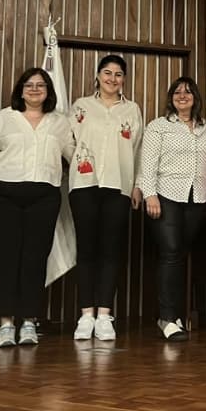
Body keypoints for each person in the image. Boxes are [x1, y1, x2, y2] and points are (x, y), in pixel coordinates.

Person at [0, 67, 75, 347]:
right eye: (28, 85)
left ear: (48, 91)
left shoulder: (60, 123)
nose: (34, 89)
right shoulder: (5, 118)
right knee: (6, 259)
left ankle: (29, 321)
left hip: (44, 198)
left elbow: (76, 156)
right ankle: (6, 324)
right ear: (20, 89)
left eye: (40, 85)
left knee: (34, 259)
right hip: (2, 195)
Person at [136, 76, 206, 342]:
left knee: (180, 255)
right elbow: (147, 163)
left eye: (188, 92)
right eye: (178, 92)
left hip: (197, 199)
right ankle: (167, 318)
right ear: (171, 98)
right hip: (165, 197)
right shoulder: (158, 126)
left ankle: (175, 315)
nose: (183, 96)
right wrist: (150, 194)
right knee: (170, 253)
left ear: (196, 98)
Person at [69, 54, 142, 341]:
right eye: (107, 73)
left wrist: (136, 185)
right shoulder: (81, 106)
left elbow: (137, 149)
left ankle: (104, 315)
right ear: (98, 75)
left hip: (119, 187)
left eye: (119, 74)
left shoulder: (132, 109)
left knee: (111, 251)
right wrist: (76, 162)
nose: (113, 78)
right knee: (86, 249)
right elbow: (68, 141)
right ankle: (86, 315)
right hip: (84, 184)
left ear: (124, 79)